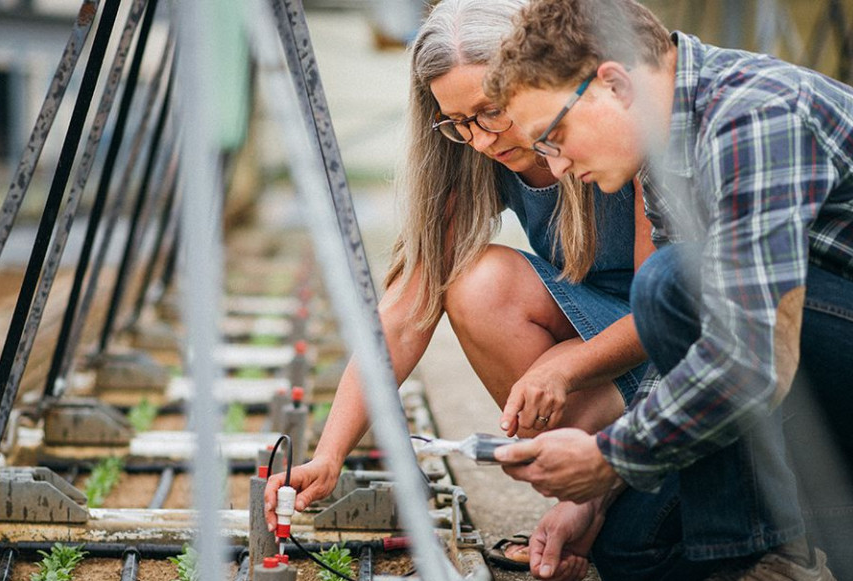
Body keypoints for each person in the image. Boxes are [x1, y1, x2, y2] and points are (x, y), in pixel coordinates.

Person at [483, 0, 853, 581]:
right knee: (634, 552)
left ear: (612, 83)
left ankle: (782, 573)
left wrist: (614, 455)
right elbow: (691, 351)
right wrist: (595, 495)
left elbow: (754, 349)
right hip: (831, 364)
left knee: (673, 277)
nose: (557, 165)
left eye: (553, 135)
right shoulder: (666, 145)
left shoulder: (755, 115)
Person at [265, 0, 659, 553]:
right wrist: (329, 455)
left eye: (490, 111)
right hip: (598, 322)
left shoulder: (624, 131)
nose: (479, 139)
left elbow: (665, 307)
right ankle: (590, 489)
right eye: (457, 122)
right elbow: (404, 316)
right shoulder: (475, 153)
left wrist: (566, 363)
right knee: (476, 281)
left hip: (662, 326)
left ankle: (614, 479)